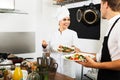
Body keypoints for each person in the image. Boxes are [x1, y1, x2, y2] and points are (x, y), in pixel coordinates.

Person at [76, 0, 120, 80]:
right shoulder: (112, 24)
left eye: (100, 5)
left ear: (106, 4)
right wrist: (81, 53)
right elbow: (101, 56)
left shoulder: (119, 25)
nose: (100, 9)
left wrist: (95, 65)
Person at [42, 6, 80, 78]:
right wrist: (44, 46)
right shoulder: (52, 34)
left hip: (68, 68)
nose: (67, 22)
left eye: (68, 19)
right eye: (64, 19)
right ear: (59, 21)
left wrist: (74, 49)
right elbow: (47, 50)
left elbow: (77, 51)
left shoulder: (73, 34)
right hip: (55, 66)